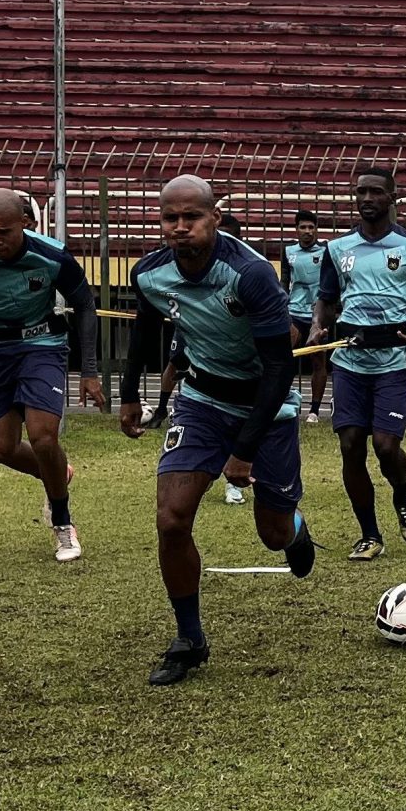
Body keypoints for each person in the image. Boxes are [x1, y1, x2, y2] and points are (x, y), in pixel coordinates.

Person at [119, 176, 314, 686]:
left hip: (264, 407)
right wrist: (129, 394)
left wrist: (245, 452)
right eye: (170, 218)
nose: (180, 228)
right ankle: (189, 638)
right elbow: (143, 327)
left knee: (272, 535)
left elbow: (279, 370)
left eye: (192, 217)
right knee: (171, 520)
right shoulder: (150, 273)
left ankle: (295, 529)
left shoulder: (250, 275)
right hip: (201, 401)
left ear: (215, 219)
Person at [0, 190, 106, 562]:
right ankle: (60, 472)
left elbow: (85, 303)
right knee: (1, 449)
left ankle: (63, 525)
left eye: (5, 232)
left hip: (42, 344)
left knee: (43, 438)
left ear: (26, 223)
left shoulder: (51, 255)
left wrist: (90, 370)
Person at [309, 168, 406, 561]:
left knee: (386, 446)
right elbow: (326, 297)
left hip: (393, 360)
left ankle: (403, 496)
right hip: (350, 360)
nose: (367, 198)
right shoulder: (337, 249)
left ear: (392, 198)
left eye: (376, 192)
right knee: (351, 444)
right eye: (361, 192)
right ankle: (369, 535)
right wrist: (318, 324)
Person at [146, 209, 243, 432]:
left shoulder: (243, 270)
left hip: (228, 333)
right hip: (191, 324)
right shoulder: (193, 260)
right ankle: (163, 408)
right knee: (175, 363)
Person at [280, 209, 328, 425]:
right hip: (294, 311)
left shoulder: (326, 250)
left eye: (311, 227)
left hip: (317, 314)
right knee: (285, 357)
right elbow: (284, 280)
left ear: (316, 230)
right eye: (303, 227)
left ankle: (314, 410)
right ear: (296, 230)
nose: (307, 231)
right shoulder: (288, 251)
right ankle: (283, 401)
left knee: (317, 360)